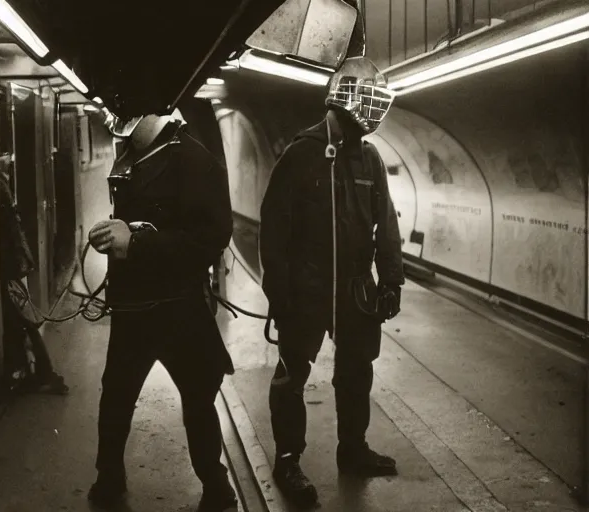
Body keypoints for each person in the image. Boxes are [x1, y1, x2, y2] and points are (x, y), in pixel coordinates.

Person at [259, 56, 405, 507]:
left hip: (357, 289)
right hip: (306, 287)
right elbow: (273, 229)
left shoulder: (370, 157)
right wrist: (279, 296)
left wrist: (392, 280)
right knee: (292, 375)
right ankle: (288, 459)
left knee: (356, 371)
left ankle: (353, 448)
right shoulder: (301, 154)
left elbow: (386, 222)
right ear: (348, 100)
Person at [87, 114, 238, 511]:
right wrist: (114, 234)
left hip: (178, 309)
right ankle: (109, 476)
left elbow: (210, 238)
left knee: (198, 398)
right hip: (132, 306)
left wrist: (134, 242)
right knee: (115, 396)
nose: (110, 115)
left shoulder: (195, 161)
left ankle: (216, 484)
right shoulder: (132, 155)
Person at [0, 154, 68, 395]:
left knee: (20, 320)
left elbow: (8, 231)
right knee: (23, 319)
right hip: (12, 265)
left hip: (6, 266)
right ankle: (37, 372)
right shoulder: (1, 182)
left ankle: (38, 373)